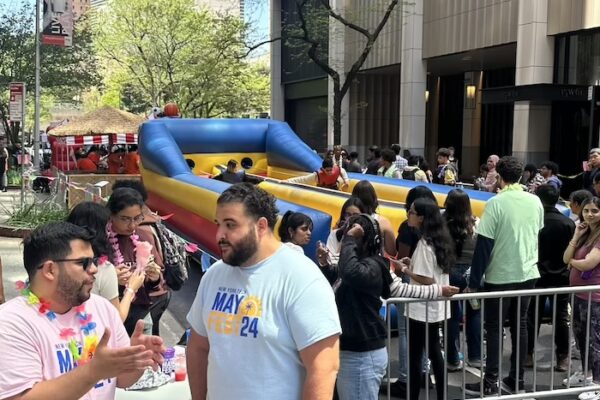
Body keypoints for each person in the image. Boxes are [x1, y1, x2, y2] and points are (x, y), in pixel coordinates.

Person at [186, 183, 341, 399]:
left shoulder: (302, 278)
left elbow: (323, 367)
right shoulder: (215, 275)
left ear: (260, 226)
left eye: (230, 225)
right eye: (218, 224)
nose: (219, 234)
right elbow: (198, 347)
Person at [0, 222, 165, 399]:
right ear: (50, 270)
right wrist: (93, 371)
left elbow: (123, 380)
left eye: (93, 261)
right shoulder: (11, 322)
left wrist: (138, 357)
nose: (94, 269)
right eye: (83, 263)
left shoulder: (102, 307)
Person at [319, 213, 458, 400]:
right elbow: (341, 277)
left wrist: (438, 290)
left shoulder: (372, 266)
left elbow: (400, 288)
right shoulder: (363, 264)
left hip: (362, 355)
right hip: (352, 350)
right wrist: (324, 264)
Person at [465, 156, 543, 396]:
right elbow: (536, 232)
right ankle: (517, 379)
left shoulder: (496, 203)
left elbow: (484, 246)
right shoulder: (535, 201)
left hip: (500, 275)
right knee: (520, 325)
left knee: (495, 328)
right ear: (522, 176)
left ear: (499, 176)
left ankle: (491, 381)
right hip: (528, 271)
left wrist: (473, 282)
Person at [401, 198, 454, 400]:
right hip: (435, 307)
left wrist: (406, 270)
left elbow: (426, 278)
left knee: (417, 355)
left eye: (412, 212)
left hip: (422, 306)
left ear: (422, 217)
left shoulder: (424, 244)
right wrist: (412, 265)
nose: (409, 214)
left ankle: (413, 395)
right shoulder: (439, 239)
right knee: (433, 352)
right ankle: (442, 394)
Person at [67, 201, 145, 322]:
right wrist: (131, 289)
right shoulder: (104, 269)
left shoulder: (62, 260)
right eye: (108, 227)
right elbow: (117, 319)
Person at [106, 188, 169, 335]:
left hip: (140, 315)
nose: (132, 225)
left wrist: (154, 277)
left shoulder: (144, 236)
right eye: (125, 219)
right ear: (111, 215)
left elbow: (157, 281)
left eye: (137, 218)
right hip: (111, 317)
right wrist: (111, 279)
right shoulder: (101, 241)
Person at [525, 184, 574, 372]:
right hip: (562, 276)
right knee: (560, 318)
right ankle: (562, 357)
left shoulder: (534, 221)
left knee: (531, 316)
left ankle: (527, 355)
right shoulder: (568, 223)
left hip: (536, 275)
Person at [563, 196, 600, 394]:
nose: (590, 214)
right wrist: (577, 234)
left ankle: (597, 382)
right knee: (581, 337)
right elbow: (565, 257)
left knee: (595, 340)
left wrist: (573, 263)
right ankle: (586, 374)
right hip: (577, 295)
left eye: (594, 211)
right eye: (586, 211)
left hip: (594, 298)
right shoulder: (585, 233)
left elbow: (589, 263)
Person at [444, 189, 482, 370]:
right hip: (471, 274)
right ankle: (475, 357)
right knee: (474, 313)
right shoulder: (476, 224)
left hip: (449, 273)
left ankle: (452, 359)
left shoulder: (442, 224)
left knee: (450, 316)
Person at [316, 197, 365, 270]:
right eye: (348, 214)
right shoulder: (335, 234)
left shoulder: (367, 237)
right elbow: (330, 260)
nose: (351, 218)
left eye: (355, 215)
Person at [352, 180, 397, 256]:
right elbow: (392, 252)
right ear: (373, 199)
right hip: (374, 263)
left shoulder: (348, 219)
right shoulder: (383, 223)